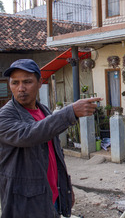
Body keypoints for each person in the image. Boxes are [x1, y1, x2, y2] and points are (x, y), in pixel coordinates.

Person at [0, 59, 102, 218]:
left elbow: (55, 153)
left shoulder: (43, 110)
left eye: (27, 82)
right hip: (25, 203)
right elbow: (29, 134)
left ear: (40, 82)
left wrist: (65, 187)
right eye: (15, 83)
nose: (21, 88)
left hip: (50, 195)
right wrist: (70, 112)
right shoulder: (5, 116)